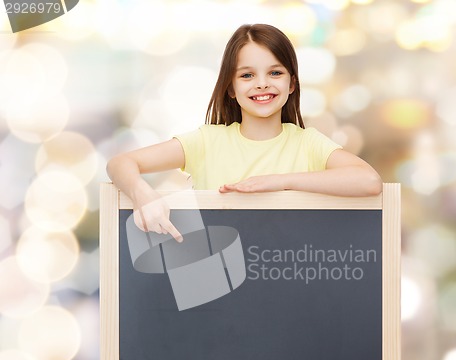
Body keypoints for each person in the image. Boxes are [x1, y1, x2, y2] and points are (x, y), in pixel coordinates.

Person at [107, 24, 382, 242]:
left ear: (292, 84)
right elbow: (120, 163)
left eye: (275, 73)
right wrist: (143, 195)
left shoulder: (308, 143)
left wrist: (279, 182)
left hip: (290, 278)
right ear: (231, 88)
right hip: (220, 292)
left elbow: (369, 181)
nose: (262, 84)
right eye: (247, 76)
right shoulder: (206, 142)